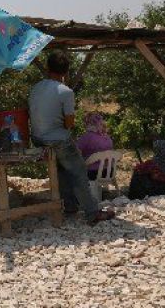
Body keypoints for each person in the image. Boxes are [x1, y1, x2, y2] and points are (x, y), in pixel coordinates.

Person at [29, 51, 115, 225]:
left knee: (62, 170)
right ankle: (92, 213)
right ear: (66, 72)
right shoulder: (65, 91)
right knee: (78, 171)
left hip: (37, 138)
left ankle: (70, 206)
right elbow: (69, 123)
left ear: (47, 68)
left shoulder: (36, 88)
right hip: (57, 139)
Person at [75, 112, 114, 180]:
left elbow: (75, 151)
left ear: (89, 124)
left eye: (85, 123)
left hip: (93, 174)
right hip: (109, 172)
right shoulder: (107, 137)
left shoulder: (86, 137)